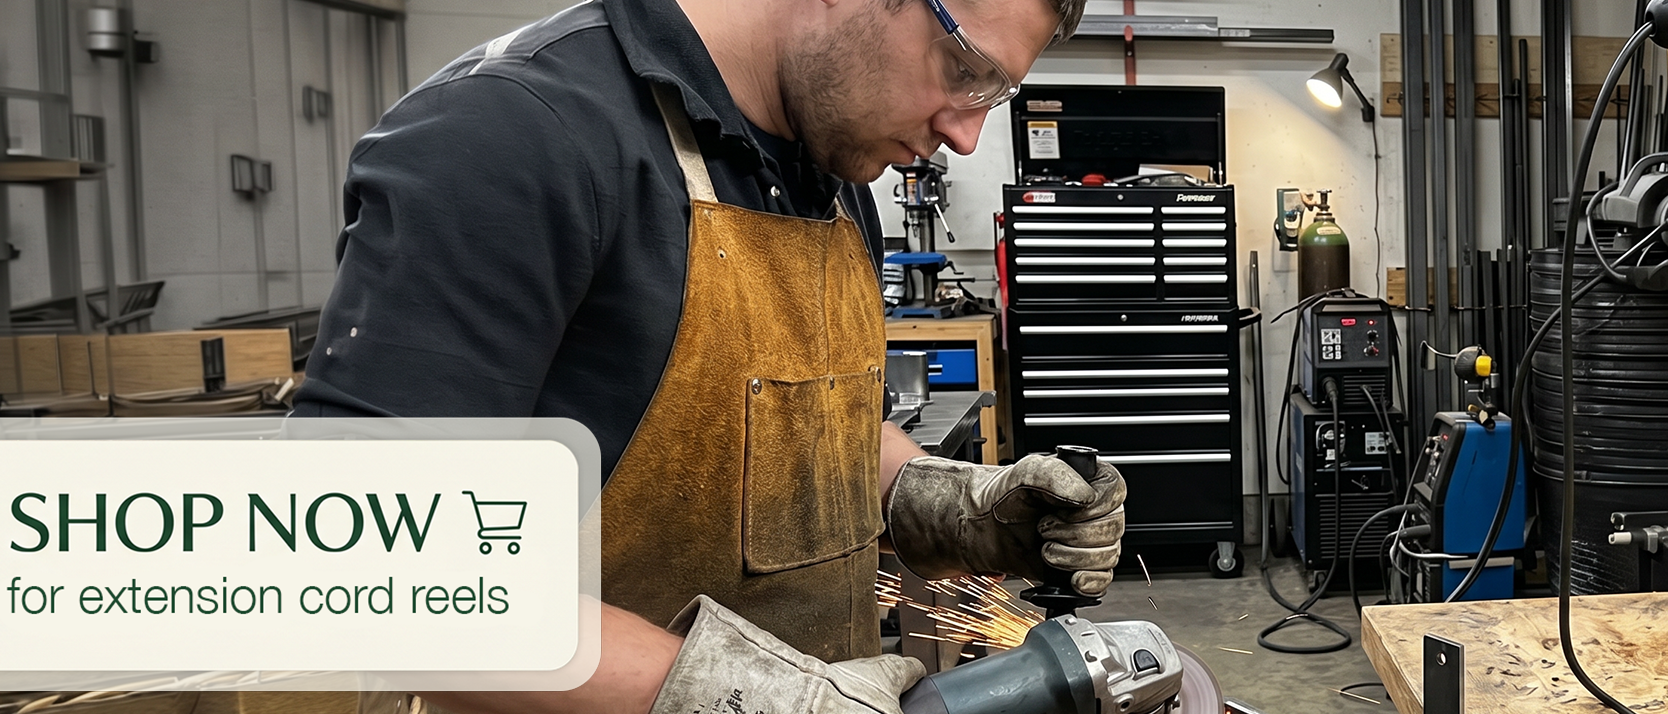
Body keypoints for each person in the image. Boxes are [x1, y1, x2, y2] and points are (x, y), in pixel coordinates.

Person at [289, 0, 1118, 711]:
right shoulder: (514, 131)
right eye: (962, 68)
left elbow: (804, 430)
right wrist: (750, 697)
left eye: (993, 93)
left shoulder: (828, 170)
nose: (966, 136)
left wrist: (955, 506)